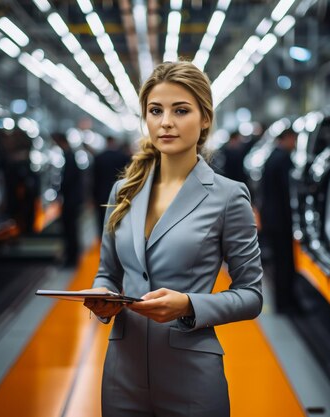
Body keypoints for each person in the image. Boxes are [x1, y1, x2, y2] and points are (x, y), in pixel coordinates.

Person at [83, 61, 263, 417]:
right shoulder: (123, 191)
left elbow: (251, 296)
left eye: (180, 110)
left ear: (205, 118)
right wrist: (102, 296)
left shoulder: (228, 196)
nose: (165, 122)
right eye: (155, 110)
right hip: (123, 373)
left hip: (192, 377)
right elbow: (108, 271)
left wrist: (189, 306)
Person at [259, 128, 298, 313]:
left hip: (271, 218)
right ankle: (286, 303)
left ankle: (282, 302)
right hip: (281, 219)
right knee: (285, 262)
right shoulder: (283, 158)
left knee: (279, 261)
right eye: (294, 139)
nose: (295, 144)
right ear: (288, 138)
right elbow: (287, 191)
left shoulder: (272, 156)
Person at [53, 132, 84, 266]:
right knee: (72, 229)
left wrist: (59, 191)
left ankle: (72, 258)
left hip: (70, 200)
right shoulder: (71, 156)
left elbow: (67, 180)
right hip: (73, 199)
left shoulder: (69, 157)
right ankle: (73, 256)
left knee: (70, 229)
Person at [92, 135, 131, 237]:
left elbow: (94, 179)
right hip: (120, 194)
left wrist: (92, 196)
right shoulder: (123, 157)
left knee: (102, 219)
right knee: (119, 218)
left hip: (101, 194)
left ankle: (103, 239)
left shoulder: (98, 158)